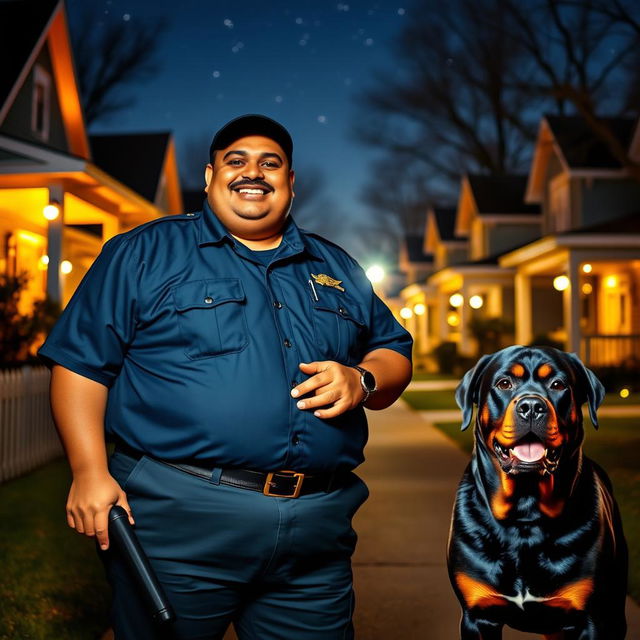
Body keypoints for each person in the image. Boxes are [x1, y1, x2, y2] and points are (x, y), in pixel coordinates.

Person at [39, 114, 413, 640]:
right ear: (210, 177)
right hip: (179, 525)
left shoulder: (336, 265)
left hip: (315, 538)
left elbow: (394, 350)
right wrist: (88, 472)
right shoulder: (144, 253)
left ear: (290, 182)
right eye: (235, 161)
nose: (252, 172)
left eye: (270, 162)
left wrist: (363, 379)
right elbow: (81, 364)